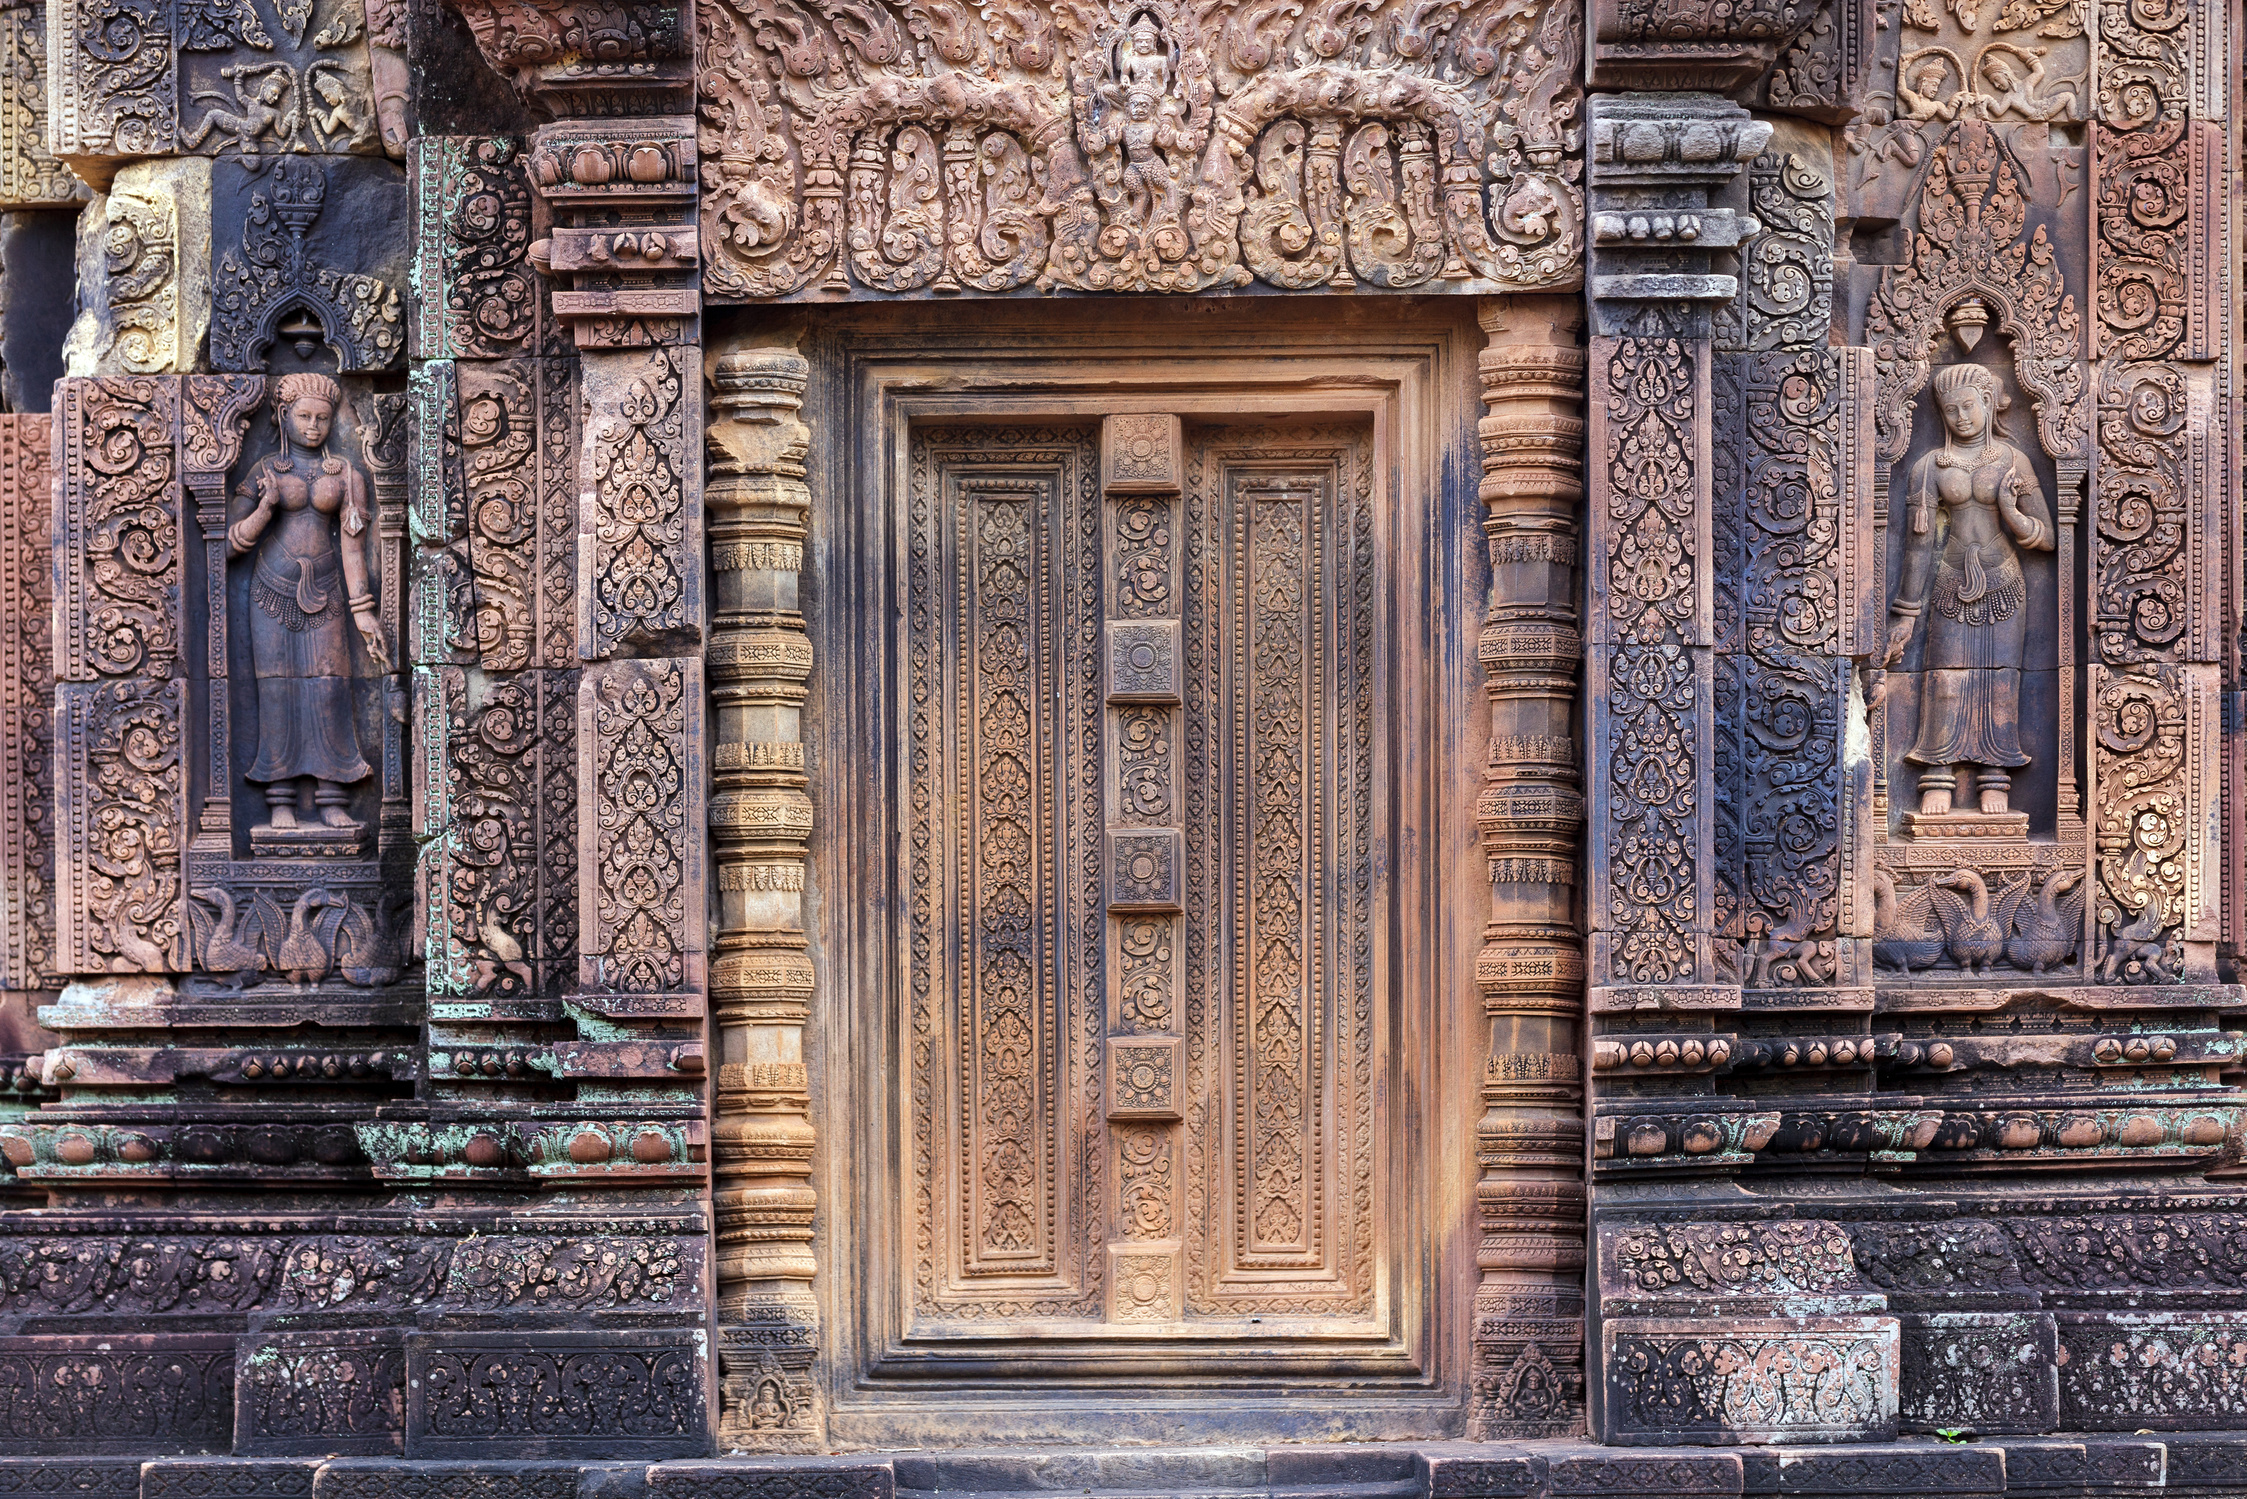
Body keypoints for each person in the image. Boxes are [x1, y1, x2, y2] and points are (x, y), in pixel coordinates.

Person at [1883, 362, 2054, 818]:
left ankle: (1994, 776)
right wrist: (1906, 612)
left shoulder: (2014, 461)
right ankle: (1936, 774)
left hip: (2004, 579)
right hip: (1950, 578)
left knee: (2001, 680)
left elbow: (2047, 536)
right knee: (1944, 677)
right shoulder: (1928, 467)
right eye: (1950, 410)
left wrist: (2011, 510)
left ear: (1987, 403)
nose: (1961, 417)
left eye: (1968, 406)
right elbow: (1919, 546)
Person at [228, 373, 387, 834]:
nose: (314, 426)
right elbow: (227, 545)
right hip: (271, 594)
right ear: (283, 416)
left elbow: (353, 549)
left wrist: (364, 610)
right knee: (277, 691)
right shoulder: (264, 472)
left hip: (329, 594)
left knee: (329, 690)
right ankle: (279, 798)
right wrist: (264, 509)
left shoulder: (346, 476)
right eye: (304, 417)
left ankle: (332, 795)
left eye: (322, 418)